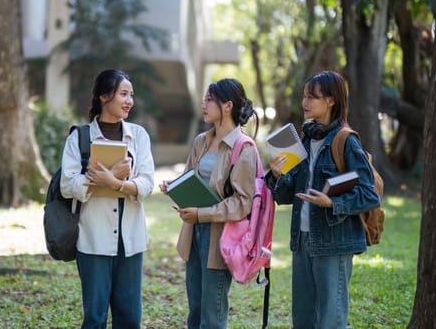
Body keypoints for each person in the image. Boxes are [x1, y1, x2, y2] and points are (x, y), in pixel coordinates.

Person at [265, 70, 380, 328]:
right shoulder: (306, 140)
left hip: (334, 243)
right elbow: (286, 195)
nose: (305, 103)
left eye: (312, 97)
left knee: (331, 320)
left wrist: (332, 203)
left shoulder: (346, 141)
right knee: (303, 320)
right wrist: (276, 175)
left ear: (331, 100)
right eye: (304, 96)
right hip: (302, 240)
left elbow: (369, 194)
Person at [159, 78, 260, 328]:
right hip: (193, 232)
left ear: (227, 106)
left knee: (212, 314)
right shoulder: (201, 141)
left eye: (209, 100)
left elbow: (242, 203)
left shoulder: (244, 149)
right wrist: (174, 186)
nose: (203, 105)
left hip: (221, 238)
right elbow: (191, 178)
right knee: (195, 309)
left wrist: (202, 214)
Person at [60, 69, 155, 329]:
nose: (129, 101)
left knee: (129, 318)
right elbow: (67, 185)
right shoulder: (79, 137)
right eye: (123, 94)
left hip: (130, 240)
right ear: (104, 96)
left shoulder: (139, 135)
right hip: (93, 239)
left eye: (131, 95)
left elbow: (147, 184)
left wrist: (116, 183)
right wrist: (104, 178)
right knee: (94, 317)